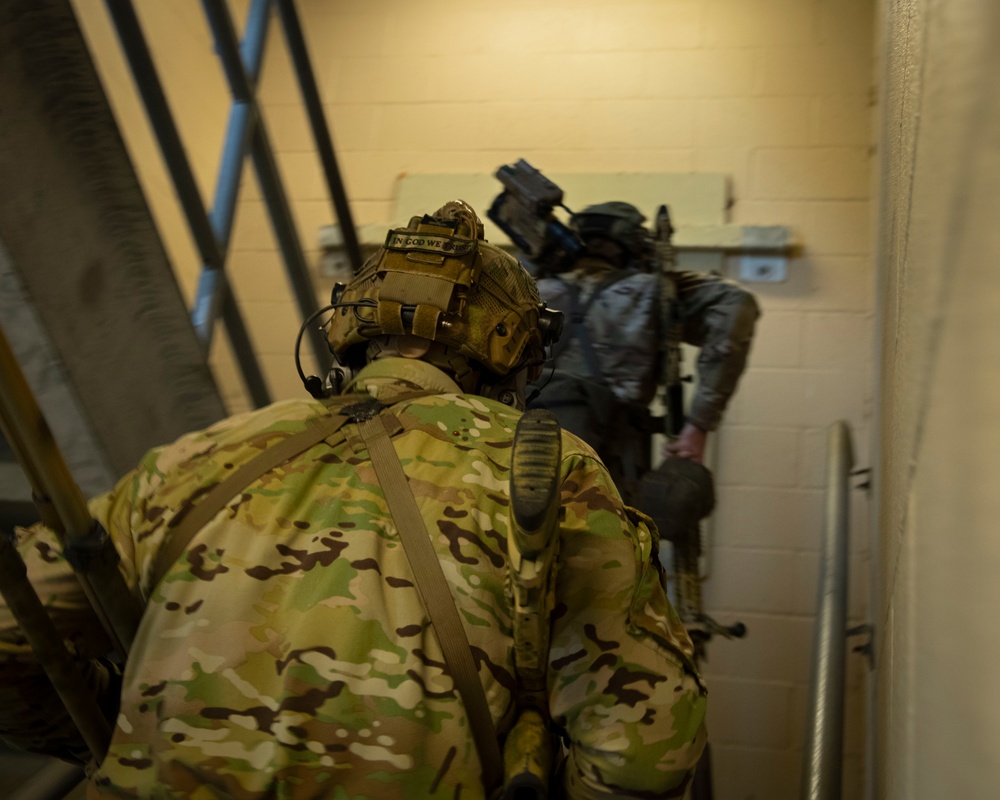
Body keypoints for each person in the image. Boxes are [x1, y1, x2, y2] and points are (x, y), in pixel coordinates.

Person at [0, 201, 707, 799]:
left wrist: (115, 722)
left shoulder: (197, 457)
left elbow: (9, 631)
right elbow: (647, 752)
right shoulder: (546, 468)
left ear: (345, 328)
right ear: (515, 351)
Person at [528, 201, 760, 504]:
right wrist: (699, 423)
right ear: (633, 243)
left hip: (522, 457)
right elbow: (737, 305)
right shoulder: (651, 290)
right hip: (609, 467)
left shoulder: (531, 289)